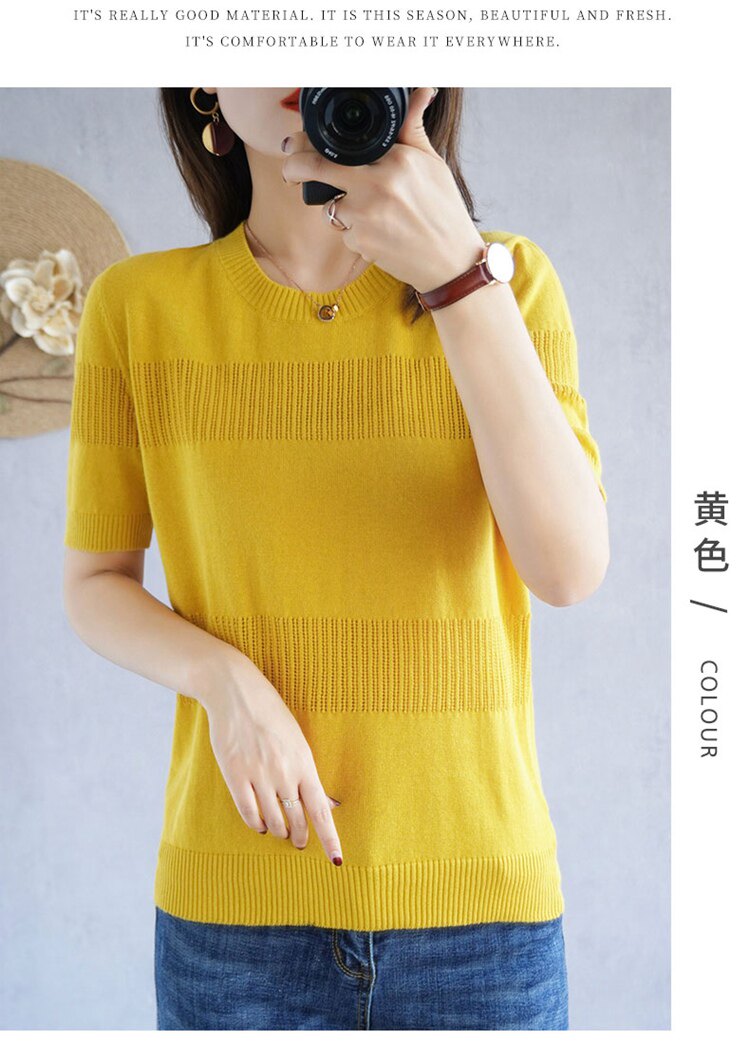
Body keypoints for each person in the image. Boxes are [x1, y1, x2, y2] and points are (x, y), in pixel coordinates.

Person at [62, 87, 609, 1030]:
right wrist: (224, 681)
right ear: (204, 78)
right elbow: (93, 584)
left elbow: (567, 571)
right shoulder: (138, 308)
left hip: (479, 917)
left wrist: (457, 280)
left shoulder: (510, 282)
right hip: (235, 920)